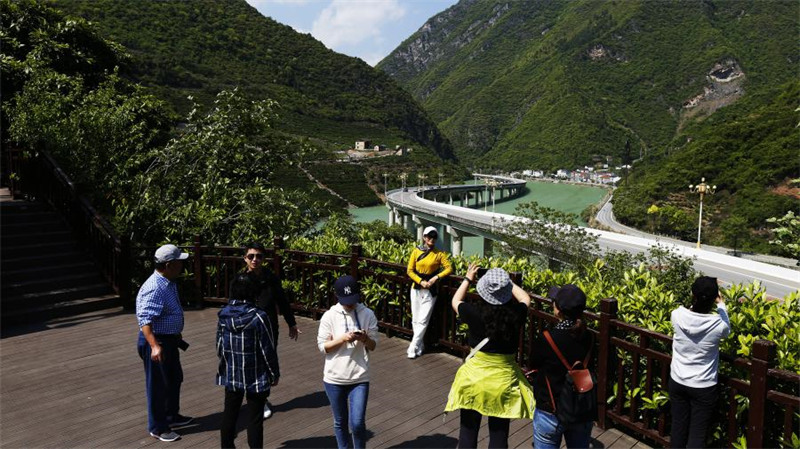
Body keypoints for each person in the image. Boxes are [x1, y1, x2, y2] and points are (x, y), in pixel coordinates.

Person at [445, 264, 534, 449]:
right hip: (503, 382)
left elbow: (455, 300)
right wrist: (506, 282)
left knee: (468, 433)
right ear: (507, 291)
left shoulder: (473, 313)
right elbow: (525, 298)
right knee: (499, 436)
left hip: (474, 380)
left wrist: (469, 278)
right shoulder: (515, 314)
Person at [136, 244, 194, 442]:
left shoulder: (168, 281)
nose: (182, 265)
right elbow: (145, 320)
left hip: (169, 340)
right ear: (169, 265)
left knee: (174, 378)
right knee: (157, 385)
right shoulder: (154, 287)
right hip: (157, 341)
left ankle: (171, 416)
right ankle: (158, 427)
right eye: (179, 262)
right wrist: (154, 345)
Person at [216, 272, 280, 449]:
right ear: (254, 292)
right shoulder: (259, 316)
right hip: (256, 374)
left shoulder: (223, 315)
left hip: (232, 372)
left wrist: (226, 364)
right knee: (254, 419)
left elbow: (219, 346)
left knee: (230, 414)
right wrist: (274, 373)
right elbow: (268, 349)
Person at [317, 275, 379, 449]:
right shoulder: (329, 316)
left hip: (360, 377)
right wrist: (342, 339)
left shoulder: (367, 314)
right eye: (346, 300)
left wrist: (365, 339)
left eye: (353, 299)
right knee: (340, 422)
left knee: (358, 423)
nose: (350, 304)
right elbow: (323, 347)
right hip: (334, 378)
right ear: (337, 297)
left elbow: (373, 346)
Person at [529, 284, 594, 449]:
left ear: (558, 310)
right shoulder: (591, 338)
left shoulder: (547, 338)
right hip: (581, 409)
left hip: (550, 409)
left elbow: (534, 364)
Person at [669, 276, 730, 448]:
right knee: (698, 434)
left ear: (693, 295)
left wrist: (696, 302)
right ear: (714, 298)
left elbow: (691, 312)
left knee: (678, 428)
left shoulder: (677, 315)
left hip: (678, 380)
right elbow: (727, 325)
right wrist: (721, 304)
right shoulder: (719, 325)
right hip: (704, 386)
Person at [243, 242, 299, 419]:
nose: (255, 260)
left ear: (264, 259)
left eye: (259, 256)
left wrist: (291, 323)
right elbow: (233, 306)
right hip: (247, 329)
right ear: (245, 258)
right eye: (251, 256)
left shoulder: (271, 278)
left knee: (266, 362)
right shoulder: (240, 280)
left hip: (268, 328)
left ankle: (263, 399)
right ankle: (253, 399)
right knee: (250, 363)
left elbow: (282, 301)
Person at [406, 225, 452, 359]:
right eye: (429, 236)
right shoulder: (416, 252)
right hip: (416, 287)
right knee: (415, 319)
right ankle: (420, 346)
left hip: (430, 290)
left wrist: (435, 278)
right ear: (424, 237)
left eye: (434, 236)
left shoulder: (439, 254)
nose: (431, 239)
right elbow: (409, 270)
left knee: (423, 319)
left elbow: (449, 268)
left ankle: (412, 346)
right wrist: (421, 281)